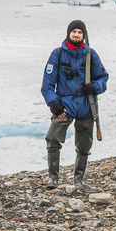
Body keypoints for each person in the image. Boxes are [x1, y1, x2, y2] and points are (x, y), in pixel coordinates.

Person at [41, 20, 109, 191]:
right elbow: (47, 84)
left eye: (79, 32)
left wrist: (95, 87)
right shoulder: (57, 54)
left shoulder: (91, 55)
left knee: (84, 144)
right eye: (74, 32)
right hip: (64, 105)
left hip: (87, 105)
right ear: (68, 33)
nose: (76, 35)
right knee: (53, 138)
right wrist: (54, 103)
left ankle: (79, 180)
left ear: (83, 35)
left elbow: (103, 78)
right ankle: (53, 178)